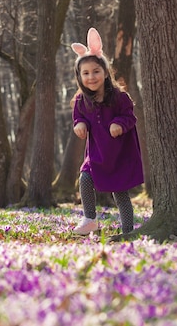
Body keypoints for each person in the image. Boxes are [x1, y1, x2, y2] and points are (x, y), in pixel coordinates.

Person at [70, 27, 145, 235]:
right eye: (85, 73)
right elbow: (79, 118)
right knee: (85, 179)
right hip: (96, 154)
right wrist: (80, 124)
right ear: (79, 77)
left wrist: (119, 123)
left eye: (96, 71)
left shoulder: (120, 97)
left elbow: (130, 116)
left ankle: (128, 230)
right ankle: (90, 218)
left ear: (105, 73)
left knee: (120, 194)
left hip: (118, 154)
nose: (91, 77)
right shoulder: (81, 100)